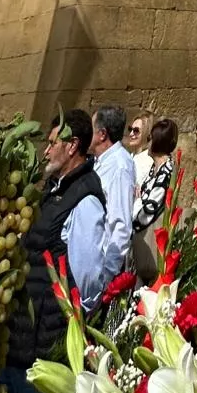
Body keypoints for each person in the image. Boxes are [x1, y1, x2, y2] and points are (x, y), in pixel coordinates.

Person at [1, 109, 106, 393]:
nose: (45, 151)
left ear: (72, 146)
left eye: (51, 144)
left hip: (43, 345)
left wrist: (67, 324)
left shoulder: (84, 199)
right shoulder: (53, 189)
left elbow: (89, 281)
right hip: (18, 337)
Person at [90, 105, 136, 296]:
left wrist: (106, 276)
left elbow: (121, 226)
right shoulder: (102, 161)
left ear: (102, 134)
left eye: (90, 129)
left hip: (102, 272)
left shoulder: (119, 166)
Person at [131, 117, 179, 281]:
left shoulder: (166, 171)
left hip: (150, 240)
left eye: (150, 139)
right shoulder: (155, 168)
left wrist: (135, 203)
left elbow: (148, 209)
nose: (148, 143)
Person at [126, 113, 153, 190]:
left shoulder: (148, 159)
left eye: (136, 130)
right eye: (130, 129)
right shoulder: (131, 155)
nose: (131, 134)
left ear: (146, 133)